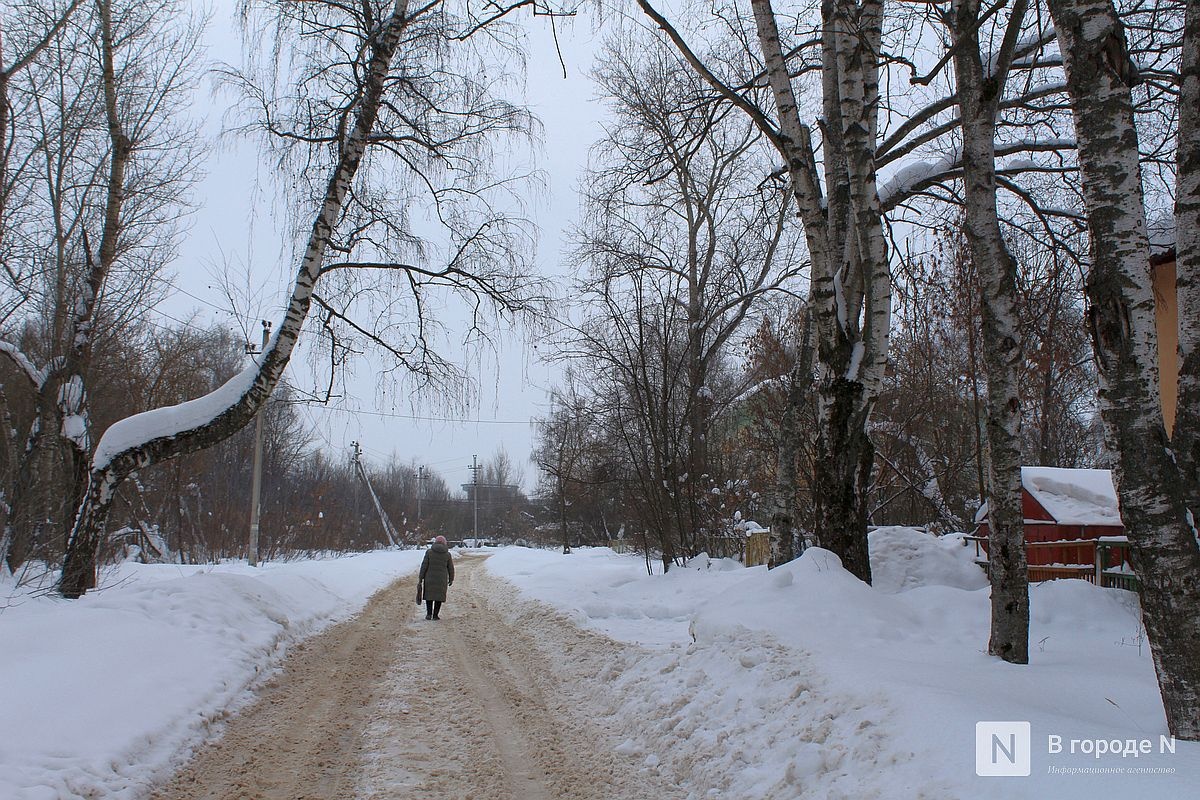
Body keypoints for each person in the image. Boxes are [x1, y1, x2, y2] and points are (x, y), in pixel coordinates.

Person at [419, 535, 454, 620]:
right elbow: (451, 568)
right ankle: (435, 615)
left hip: (429, 578)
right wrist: (451, 579)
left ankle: (428, 614)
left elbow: (424, 565)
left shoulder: (429, 552)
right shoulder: (447, 554)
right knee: (439, 597)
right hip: (441, 580)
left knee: (429, 596)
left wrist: (421, 577)